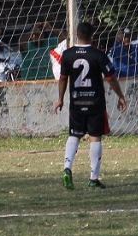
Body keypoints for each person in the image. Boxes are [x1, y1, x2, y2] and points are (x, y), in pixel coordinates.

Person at [53, 22, 128, 190]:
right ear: (92, 36)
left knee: (74, 135)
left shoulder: (68, 54)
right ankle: (93, 178)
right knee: (95, 137)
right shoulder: (98, 55)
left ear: (77, 35)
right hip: (95, 102)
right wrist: (120, 96)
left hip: (76, 101)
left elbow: (63, 78)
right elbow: (110, 77)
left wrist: (60, 99)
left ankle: (67, 168)